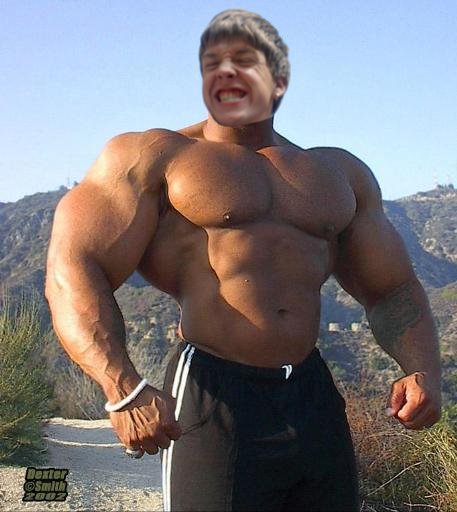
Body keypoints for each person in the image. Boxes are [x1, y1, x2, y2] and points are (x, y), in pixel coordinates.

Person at [45, 9, 441, 512]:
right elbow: (74, 268)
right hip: (214, 391)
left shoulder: (337, 173)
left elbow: (392, 289)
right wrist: (123, 387)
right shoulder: (154, 158)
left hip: (311, 390)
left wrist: (422, 369)